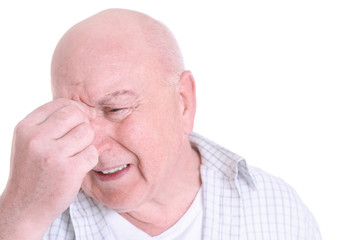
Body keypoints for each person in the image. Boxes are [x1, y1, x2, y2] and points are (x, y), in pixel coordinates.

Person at [0, 8, 321, 240]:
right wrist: (18, 216)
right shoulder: (34, 220)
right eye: (72, 118)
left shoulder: (276, 211)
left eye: (116, 109)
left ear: (183, 101)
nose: (92, 148)